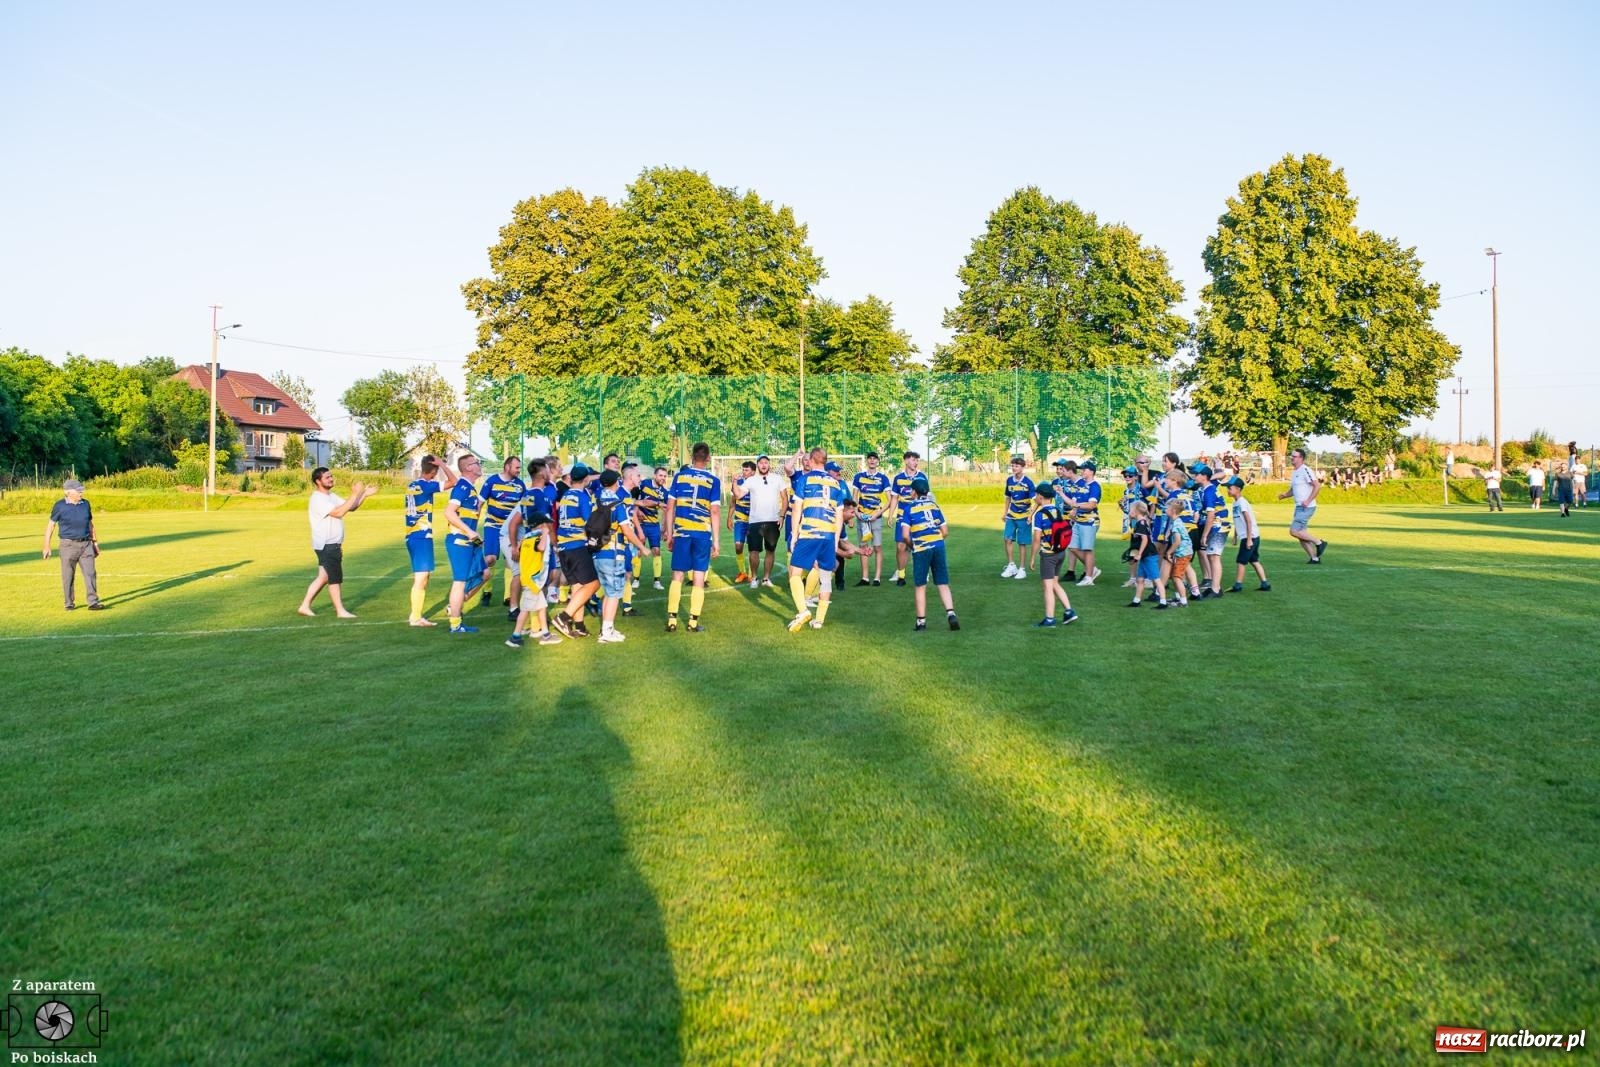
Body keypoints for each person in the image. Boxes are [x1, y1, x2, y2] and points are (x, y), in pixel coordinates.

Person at [298, 466, 377, 618]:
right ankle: (340, 611)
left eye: (331, 476)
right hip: (327, 544)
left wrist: (364, 494)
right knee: (334, 578)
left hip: (331, 544)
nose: (331, 479)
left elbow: (350, 507)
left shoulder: (331, 496)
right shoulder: (317, 499)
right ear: (318, 481)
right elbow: (339, 512)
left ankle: (304, 605)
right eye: (327, 477)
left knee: (324, 577)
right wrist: (355, 493)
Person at [784, 447, 846, 632]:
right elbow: (840, 514)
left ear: (811, 460)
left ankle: (803, 611)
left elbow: (796, 509)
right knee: (825, 577)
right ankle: (818, 621)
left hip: (810, 533)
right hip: (828, 535)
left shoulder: (805, 479)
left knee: (794, 573)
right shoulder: (836, 483)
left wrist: (794, 534)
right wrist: (835, 539)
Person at [663, 443, 721, 633]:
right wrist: (717, 541)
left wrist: (670, 534)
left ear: (692, 457)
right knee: (698, 577)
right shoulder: (713, 480)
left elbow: (670, 507)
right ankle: (693, 622)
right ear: (708, 458)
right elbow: (714, 510)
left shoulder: (679, 477)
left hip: (682, 533)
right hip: (702, 534)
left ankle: (672, 620)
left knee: (677, 575)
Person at [593, 467, 649, 643]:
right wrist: (642, 546)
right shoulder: (617, 503)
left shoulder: (595, 499)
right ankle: (607, 631)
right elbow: (626, 529)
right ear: (616, 482)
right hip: (613, 551)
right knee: (614, 593)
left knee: (609, 590)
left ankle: (606, 629)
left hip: (597, 551)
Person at [402, 454, 458, 627]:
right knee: (422, 576)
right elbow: (453, 481)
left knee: (423, 576)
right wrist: (443, 464)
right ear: (433, 471)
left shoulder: (412, 485)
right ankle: (415, 617)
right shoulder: (427, 485)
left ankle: (416, 616)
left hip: (411, 535)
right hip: (421, 535)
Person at [549, 465, 600, 638]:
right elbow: (591, 523)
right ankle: (563, 618)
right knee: (594, 584)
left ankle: (579, 625)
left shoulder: (566, 496)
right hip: (576, 546)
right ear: (586, 479)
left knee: (578, 586)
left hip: (564, 547)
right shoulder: (581, 497)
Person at [903, 475, 959, 631]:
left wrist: (912, 545)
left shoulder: (909, 508)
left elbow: (905, 535)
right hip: (938, 546)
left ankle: (921, 622)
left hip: (921, 548)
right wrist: (937, 541)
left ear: (914, 492)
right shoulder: (935, 506)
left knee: (920, 585)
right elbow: (945, 531)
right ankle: (951, 613)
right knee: (942, 582)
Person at [441, 453, 488, 634]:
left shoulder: (471, 488)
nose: (479, 465)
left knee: (485, 574)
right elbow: (449, 512)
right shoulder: (462, 486)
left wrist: (475, 537)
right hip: (459, 541)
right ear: (468, 467)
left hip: (470, 542)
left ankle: (455, 605)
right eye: (476, 463)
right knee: (459, 582)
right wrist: (469, 532)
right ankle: (455, 623)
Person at [44, 478, 103, 611]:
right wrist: (46, 546)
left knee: (91, 573)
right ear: (68, 492)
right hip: (68, 546)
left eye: (81, 490)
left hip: (86, 544)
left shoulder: (86, 504)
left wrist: (95, 542)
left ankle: (93, 602)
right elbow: (51, 526)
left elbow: (90, 524)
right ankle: (69, 603)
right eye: (78, 491)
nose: (81, 493)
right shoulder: (59, 506)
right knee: (68, 576)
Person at [505, 506, 560, 648]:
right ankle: (515, 636)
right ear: (540, 525)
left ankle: (546, 634)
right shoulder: (538, 537)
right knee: (525, 610)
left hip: (529, 580)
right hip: (532, 581)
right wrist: (545, 534)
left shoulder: (526, 538)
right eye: (546, 524)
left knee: (541, 607)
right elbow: (541, 548)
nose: (548, 526)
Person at [479, 456, 525, 607]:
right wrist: (472, 524)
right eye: (517, 467)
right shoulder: (492, 481)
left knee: (511, 561)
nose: (519, 470)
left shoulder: (520, 485)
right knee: (490, 559)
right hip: (492, 525)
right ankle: (487, 591)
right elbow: (479, 503)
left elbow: (525, 507)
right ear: (507, 467)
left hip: (510, 529)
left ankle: (508, 597)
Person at [1030, 482, 1077, 627]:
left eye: (1036, 495)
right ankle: (1069, 611)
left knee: (1048, 587)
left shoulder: (1039, 515)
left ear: (1041, 496)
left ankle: (1049, 619)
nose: (1035, 498)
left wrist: (1032, 557)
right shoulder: (1057, 510)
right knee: (1055, 583)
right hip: (1060, 552)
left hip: (1048, 555)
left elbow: (1037, 538)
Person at [736, 454, 786, 589]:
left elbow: (785, 498)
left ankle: (766, 578)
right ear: (757, 465)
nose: (763, 465)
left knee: (770, 550)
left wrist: (782, 516)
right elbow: (739, 495)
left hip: (772, 521)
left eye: (766, 462)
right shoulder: (751, 480)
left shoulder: (777, 479)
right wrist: (734, 483)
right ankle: (754, 578)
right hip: (755, 522)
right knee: (753, 551)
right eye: (761, 463)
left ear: (769, 464)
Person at [1278, 448, 1326, 563]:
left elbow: (1317, 486)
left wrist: (1308, 501)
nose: (1292, 458)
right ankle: (1314, 558)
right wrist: (1284, 495)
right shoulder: (1295, 472)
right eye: (1292, 456)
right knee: (1301, 534)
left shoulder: (1305, 470)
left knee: (1294, 531)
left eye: (1294, 456)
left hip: (1307, 507)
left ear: (1301, 458)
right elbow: (1294, 490)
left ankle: (1319, 542)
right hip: (1299, 507)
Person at [851, 451, 892, 586]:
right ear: (867, 461)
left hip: (876, 517)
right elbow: (855, 497)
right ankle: (865, 578)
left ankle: (877, 578)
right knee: (863, 546)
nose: (872, 461)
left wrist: (877, 513)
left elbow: (889, 501)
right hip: (862, 517)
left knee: (877, 547)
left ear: (878, 461)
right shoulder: (859, 477)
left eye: (875, 459)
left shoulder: (883, 478)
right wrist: (856, 512)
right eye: (870, 459)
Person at [1225, 476, 1270, 592]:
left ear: (1238, 489)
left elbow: (1248, 521)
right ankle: (1265, 584)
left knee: (1241, 561)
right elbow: (1238, 520)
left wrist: (1249, 539)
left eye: (1230, 488)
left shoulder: (1242, 503)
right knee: (1254, 560)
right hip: (1249, 537)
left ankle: (1238, 585)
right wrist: (1235, 536)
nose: (1228, 490)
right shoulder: (1236, 503)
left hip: (1250, 537)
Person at [891, 450, 926, 586]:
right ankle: (901, 574)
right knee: (901, 546)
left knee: (920, 545)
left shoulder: (922, 476)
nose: (915, 462)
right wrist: (891, 515)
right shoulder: (898, 478)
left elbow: (926, 495)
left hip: (918, 516)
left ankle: (923, 572)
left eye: (917, 460)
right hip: (902, 517)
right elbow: (894, 497)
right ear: (906, 461)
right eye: (913, 460)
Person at [1194, 464, 1230, 597]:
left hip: (1219, 525)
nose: (1194, 476)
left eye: (1196, 474)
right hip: (1217, 525)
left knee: (1214, 556)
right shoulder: (1206, 489)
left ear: (1204, 476)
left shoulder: (1208, 491)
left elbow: (1211, 514)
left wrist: (1204, 535)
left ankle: (1215, 589)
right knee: (1210, 555)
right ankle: (1214, 586)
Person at [1152, 496, 1193, 609]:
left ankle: (1183, 601)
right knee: (1174, 575)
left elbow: (1177, 541)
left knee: (1176, 577)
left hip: (1183, 553)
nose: (1165, 509)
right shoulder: (1176, 521)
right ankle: (1178, 597)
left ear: (1173, 511)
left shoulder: (1176, 524)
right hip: (1182, 552)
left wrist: (1169, 552)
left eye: (1167, 508)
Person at [1000, 456, 1035, 579]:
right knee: (1007, 538)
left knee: (1022, 542)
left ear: (1022, 467)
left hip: (1025, 516)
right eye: (1013, 466)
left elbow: (1035, 501)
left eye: (1017, 466)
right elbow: (1008, 497)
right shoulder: (1009, 480)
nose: (1014, 468)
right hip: (1012, 515)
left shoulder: (1029, 482)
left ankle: (1022, 569)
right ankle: (1011, 565)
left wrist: (1030, 515)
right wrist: (1005, 512)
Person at [1068, 460, 1102, 586]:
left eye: (1084, 469)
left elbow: (1091, 504)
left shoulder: (1095, 486)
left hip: (1089, 521)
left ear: (1091, 472)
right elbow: (1075, 502)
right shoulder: (1081, 485)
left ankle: (1088, 577)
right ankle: (1092, 569)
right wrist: (1074, 511)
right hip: (1078, 520)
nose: (1081, 471)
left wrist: (1076, 506)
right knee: (1072, 547)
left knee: (1087, 549)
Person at [635, 466, 668, 589]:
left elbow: (666, 511)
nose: (663, 478)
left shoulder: (665, 493)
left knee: (657, 551)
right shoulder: (643, 484)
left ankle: (657, 581)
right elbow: (634, 500)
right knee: (638, 551)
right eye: (660, 475)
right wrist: (637, 511)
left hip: (654, 525)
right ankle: (636, 579)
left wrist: (664, 529)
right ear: (655, 475)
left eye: (665, 476)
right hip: (641, 524)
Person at [1126, 501, 1159, 608]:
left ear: (1136, 511)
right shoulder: (1141, 522)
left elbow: (1144, 540)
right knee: (1140, 579)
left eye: (1131, 510)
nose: (1129, 511)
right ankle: (1136, 601)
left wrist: (1138, 554)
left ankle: (1162, 601)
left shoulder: (1141, 524)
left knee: (1156, 579)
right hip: (1145, 555)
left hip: (1149, 554)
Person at [728, 460, 756, 584]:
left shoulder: (757, 484)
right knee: (738, 546)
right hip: (739, 520)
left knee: (752, 548)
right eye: (743, 470)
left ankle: (751, 574)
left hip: (753, 520)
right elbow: (733, 502)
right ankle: (742, 572)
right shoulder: (738, 483)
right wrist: (729, 518)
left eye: (747, 470)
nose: (744, 472)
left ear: (753, 472)